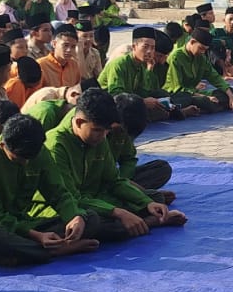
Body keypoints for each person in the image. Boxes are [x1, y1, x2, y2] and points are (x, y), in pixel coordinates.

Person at [45, 89, 185, 241]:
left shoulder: (100, 135)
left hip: (96, 195)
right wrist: (118, 212)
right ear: (79, 122)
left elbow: (114, 181)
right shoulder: (56, 146)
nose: (104, 137)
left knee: (153, 200)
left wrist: (147, 202)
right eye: (98, 130)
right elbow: (69, 199)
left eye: (107, 131)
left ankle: (142, 219)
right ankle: (147, 223)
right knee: (91, 221)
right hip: (67, 207)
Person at [0, 114, 100, 265]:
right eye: (19, 159)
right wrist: (37, 236)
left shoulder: (40, 152)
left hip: (25, 223)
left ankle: (26, 253)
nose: (26, 163)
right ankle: (54, 250)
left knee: (90, 218)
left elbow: (57, 192)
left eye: (30, 159)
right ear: (3, 145)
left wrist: (73, 217)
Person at [100, 27, 182, 119]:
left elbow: (147, 91)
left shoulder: (143, 65)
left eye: (152, 48)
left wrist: (149, 70)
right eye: (145, 47)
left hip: (130, 103)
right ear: (134, 47)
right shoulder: (119, 64)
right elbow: (116, 96)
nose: (149, 52)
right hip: (110, 105)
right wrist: (142, 102)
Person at [164, 29, 233, 112]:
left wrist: (231, 96)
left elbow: (215, 77)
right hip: (180, 95)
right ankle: (213, 106)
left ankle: (209, 107)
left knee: (229, 91)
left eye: (205, 50)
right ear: (192, 42)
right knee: (202, 101)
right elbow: (177, 88)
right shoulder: (176, 57)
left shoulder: (201, 58)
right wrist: (205, 97)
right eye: (201, 48)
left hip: (195, 93)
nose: (203, 52)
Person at [39, 23, 82, 87]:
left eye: (73, 46)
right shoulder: (41, 65)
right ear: (54, 44)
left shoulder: (74, 65)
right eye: (65, 45)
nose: (69, 50)